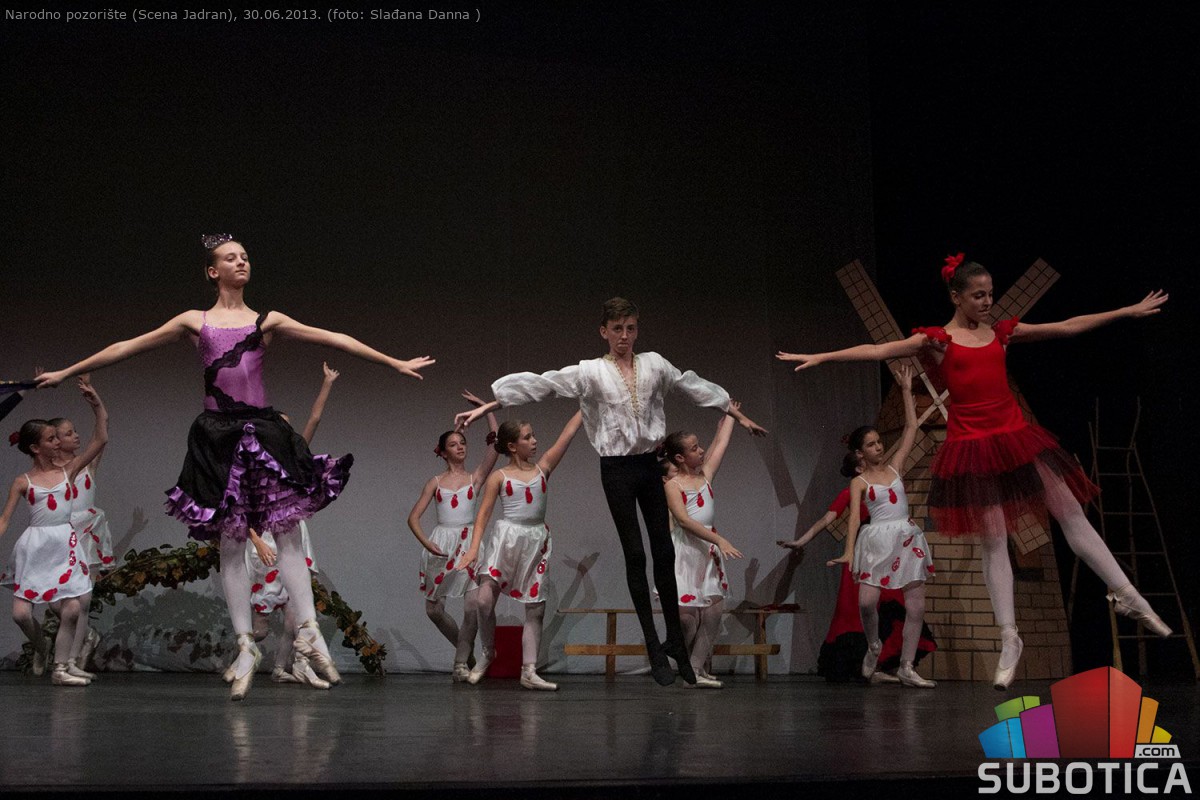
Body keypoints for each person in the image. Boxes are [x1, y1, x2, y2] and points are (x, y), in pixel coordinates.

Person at [35, 234, 434, 700]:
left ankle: (307, 629)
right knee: (231, 539)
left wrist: (391, 361)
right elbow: (128, 346)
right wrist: (67, 372)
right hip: (217, 435)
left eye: (245, 257)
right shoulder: (195, 321)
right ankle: (246, 643)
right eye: (231, 257)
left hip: (261, 429)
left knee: (287, 529)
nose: (241, 261)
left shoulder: (267, 321)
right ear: (213, 271)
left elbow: (335, 338)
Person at [778, 253, 1171, 688]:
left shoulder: (1001, 334)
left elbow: (1066, 326)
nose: (987, 302)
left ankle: (1129, 595)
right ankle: (1009, 636)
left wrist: (1125, 311)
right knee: (995, 538)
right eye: (978, 295)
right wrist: (823, 356)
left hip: (1017, 439)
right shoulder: (939, 341)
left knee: (1071, 514)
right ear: (956, 297)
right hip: (973, 449)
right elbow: (878, 349)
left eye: (990, 294)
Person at [455, 297, 767, 686]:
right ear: (604, 331)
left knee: (664, 550)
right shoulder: (592, 372)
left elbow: (691, 384)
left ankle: (674, 639)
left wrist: (738, 415)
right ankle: (654, 646)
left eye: (630, 328)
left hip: (647, 464)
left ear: (637, 330)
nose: (624, 336)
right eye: (617, 329)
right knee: (636, 554)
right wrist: (491, 404)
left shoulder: (654, 364)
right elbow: (546, 383)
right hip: (616, 469)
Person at [777, 449, 936, 682]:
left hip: (892, 556)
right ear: (859, 468)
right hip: (869, 557)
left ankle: (895, 666)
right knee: (862, 609)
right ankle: (869, 657)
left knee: (898, 609)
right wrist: (801, 541)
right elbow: (827, 519)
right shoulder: (853, 491)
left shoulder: (886, 483)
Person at [454, 412, 584, 690]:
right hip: (506, 539)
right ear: (512, 446)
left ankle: (529, 671)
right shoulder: (499, 477)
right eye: (528, 437)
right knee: (483, 601)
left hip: (534, 541)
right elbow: (483, 514)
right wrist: (474, 548)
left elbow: (567, 435)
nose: (534, 441)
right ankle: (488, 651)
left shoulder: (543, 468)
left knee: (535, 608)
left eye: (533, 435)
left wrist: (587, 403)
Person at [232, 362, 342, 690]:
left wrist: (327, 383)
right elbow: (242, 509)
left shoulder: (293, 458)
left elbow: (314, 419)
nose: (288, 433)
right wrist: (256, 540)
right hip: (264, 541)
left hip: (292, 536)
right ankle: (242, 657)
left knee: (296, 612)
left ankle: (288, 667)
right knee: (262, 626)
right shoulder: (253, 465)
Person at [827, 366, 935, 688]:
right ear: (860, 452)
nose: (878, 447)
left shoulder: (896, 466)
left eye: (878, 442)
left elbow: (912, 427)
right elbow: (854, 518)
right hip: (876, 540)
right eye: (871, 444)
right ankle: (874, 644)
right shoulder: (859, 482)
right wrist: (849, 552)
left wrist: (906, 390)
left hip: (905, 537)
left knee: (916, 605)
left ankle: (906, 666)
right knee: (866, 602)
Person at [0, 378, 107, 686]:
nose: (58, 442)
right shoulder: (22, 481)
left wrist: (96, 404)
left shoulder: (69, 470)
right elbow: (5, 518)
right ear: (36, 448)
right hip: (35, 547)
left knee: (72, 608)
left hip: (63, 544)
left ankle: (60, 668)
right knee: (21, 614)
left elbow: (100, 439)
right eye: (51, 439)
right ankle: (41, 645)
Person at [406, 391, 499, 681]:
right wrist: (427, 543)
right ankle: (465, 650)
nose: (460, 447)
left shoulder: (475, 478)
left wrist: (486, 410)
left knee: (471, 607)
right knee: (434, 609)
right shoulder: (435, 482)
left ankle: (460, 663)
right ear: (443, 452)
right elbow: (413, 517)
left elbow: (495, 445)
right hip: (441, 544)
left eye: (462, 443)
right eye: (453, 444)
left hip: (469, 543)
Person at [658, 405, 745, 689]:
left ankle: (695, 670)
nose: (702, 450)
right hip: (686, 553)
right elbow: (684, 521)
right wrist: (719, 539)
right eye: (694, 448)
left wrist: (731, 415)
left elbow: (721, 444)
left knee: (713, 614)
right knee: (687, 621)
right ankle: (684, 664)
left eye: (699, 445)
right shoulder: (673, 485)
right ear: (680, 457)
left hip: (707, 552)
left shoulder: (705, 476)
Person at [48, 375, 113, 679]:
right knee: (55, 601)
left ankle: (71, 661)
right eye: (69, 433)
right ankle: (75, 641)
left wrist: (95, 401)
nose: (76, 436)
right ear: (54, 441)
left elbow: (102, 432)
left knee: (83, 601)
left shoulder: (86, 465)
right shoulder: (47, 473)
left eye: (75, 432)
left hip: (86, 534)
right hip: (58, 535)